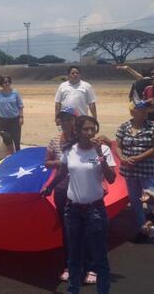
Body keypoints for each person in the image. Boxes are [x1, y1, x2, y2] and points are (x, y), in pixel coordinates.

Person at [41, 116, 116, 294]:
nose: (90, 132)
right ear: (78, 131)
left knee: (100, 257)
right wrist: (49, 187)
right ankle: (73, 290)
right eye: (86, 129)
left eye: (93, 129)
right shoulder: (70, 150)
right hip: (72, 210)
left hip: (95, 210)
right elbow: (62, 172)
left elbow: (112, 179)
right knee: (74, 256)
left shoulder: (104, 150)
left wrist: (100, 155)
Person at [115, 101, 154, 243]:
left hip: (146, 170)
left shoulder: (153, 127)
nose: (145, 113)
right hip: (130, 171)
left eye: (146, 110)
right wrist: (122, 158)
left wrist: (138, 158)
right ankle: (143, 229)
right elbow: (118, 145)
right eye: (141, 110)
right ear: (133, 112)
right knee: (135, 201)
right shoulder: (124, 126)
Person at [44, 106, 79, 282]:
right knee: (66, 228)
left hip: (81, 190)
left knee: (82, 227)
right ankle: (69, 264)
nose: (65, 123)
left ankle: (87, 265)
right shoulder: (54, 140)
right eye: (63, 119)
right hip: (61, 190)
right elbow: (47, 163)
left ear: (75, 120)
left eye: (69, 119)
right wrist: (62, 162)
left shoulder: (83, 139)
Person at [0, 75, 24, 151]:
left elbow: (20, 106)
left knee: (16, 139)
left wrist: (21, 117)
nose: (7, 83)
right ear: (2, 83)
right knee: (5, 139)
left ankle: (17, 156)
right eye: (5, 82)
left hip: (15, 119)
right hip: (3, 120)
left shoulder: (15, 93)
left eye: (8, 82)